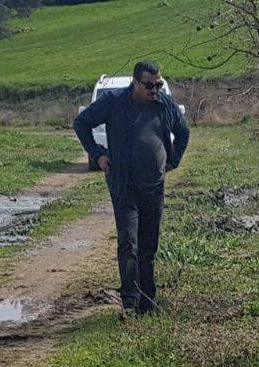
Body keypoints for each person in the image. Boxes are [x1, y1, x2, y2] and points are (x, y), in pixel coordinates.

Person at [74, 60, 190, 316]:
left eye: (158, 84)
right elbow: (81, 123)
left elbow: (183, 132)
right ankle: (130, 302)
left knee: (149, 245)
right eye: (149, 85)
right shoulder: (114, 102)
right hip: (124, 185)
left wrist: (172, 161)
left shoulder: (164, 104)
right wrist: (98, 154)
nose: (154, 90)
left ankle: (148, 302)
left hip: (154, 186)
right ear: (135, 83)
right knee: (129, 242)